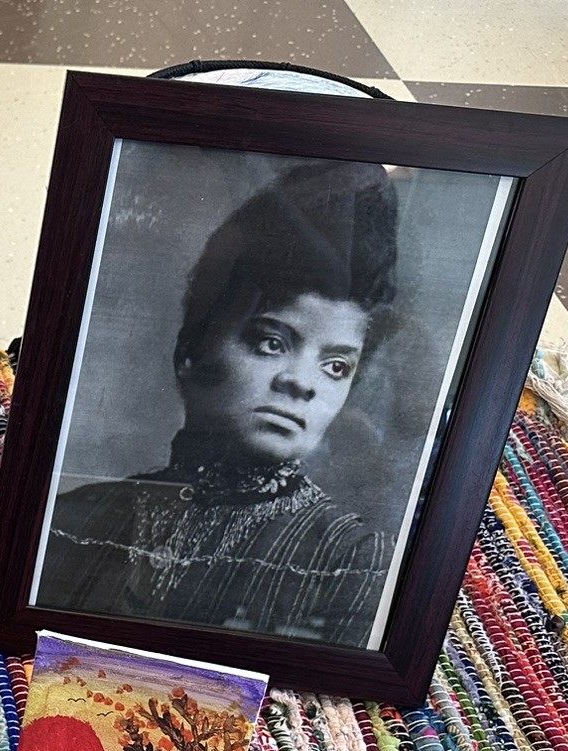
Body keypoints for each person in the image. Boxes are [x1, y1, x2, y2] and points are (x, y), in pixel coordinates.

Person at [38, 157, 402, 646]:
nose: (302, 384)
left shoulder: (353, 558)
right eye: (271, 342)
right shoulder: (75, 519)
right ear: (192, 349)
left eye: (336, 366)